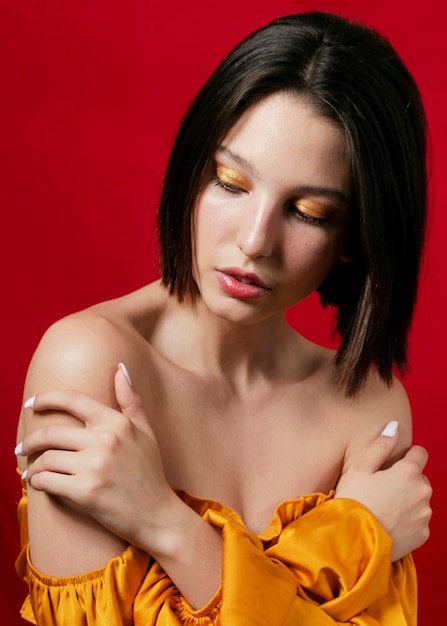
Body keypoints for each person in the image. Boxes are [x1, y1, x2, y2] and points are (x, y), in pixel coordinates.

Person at [15, 10, 432, 626]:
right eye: (231, 182)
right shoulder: (88, 363)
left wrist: (164, 523)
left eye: (310, 211)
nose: (256, 241)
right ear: (193, 171)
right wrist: (356, 539)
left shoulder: (368, 407)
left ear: (355, 235)